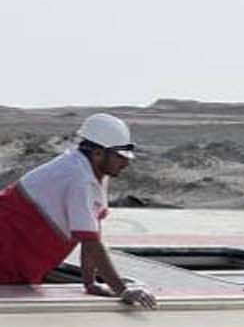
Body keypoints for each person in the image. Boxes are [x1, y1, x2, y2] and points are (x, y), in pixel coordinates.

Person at [0, 114, 156, 309]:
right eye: (120, 157)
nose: (126, 163)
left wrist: (90, 283)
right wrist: (122, 290)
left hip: (20, 255)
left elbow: (91, 231)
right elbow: (91, 243)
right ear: (98, 153)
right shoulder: (79, 178)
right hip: (8, 251)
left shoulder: (93, 171)